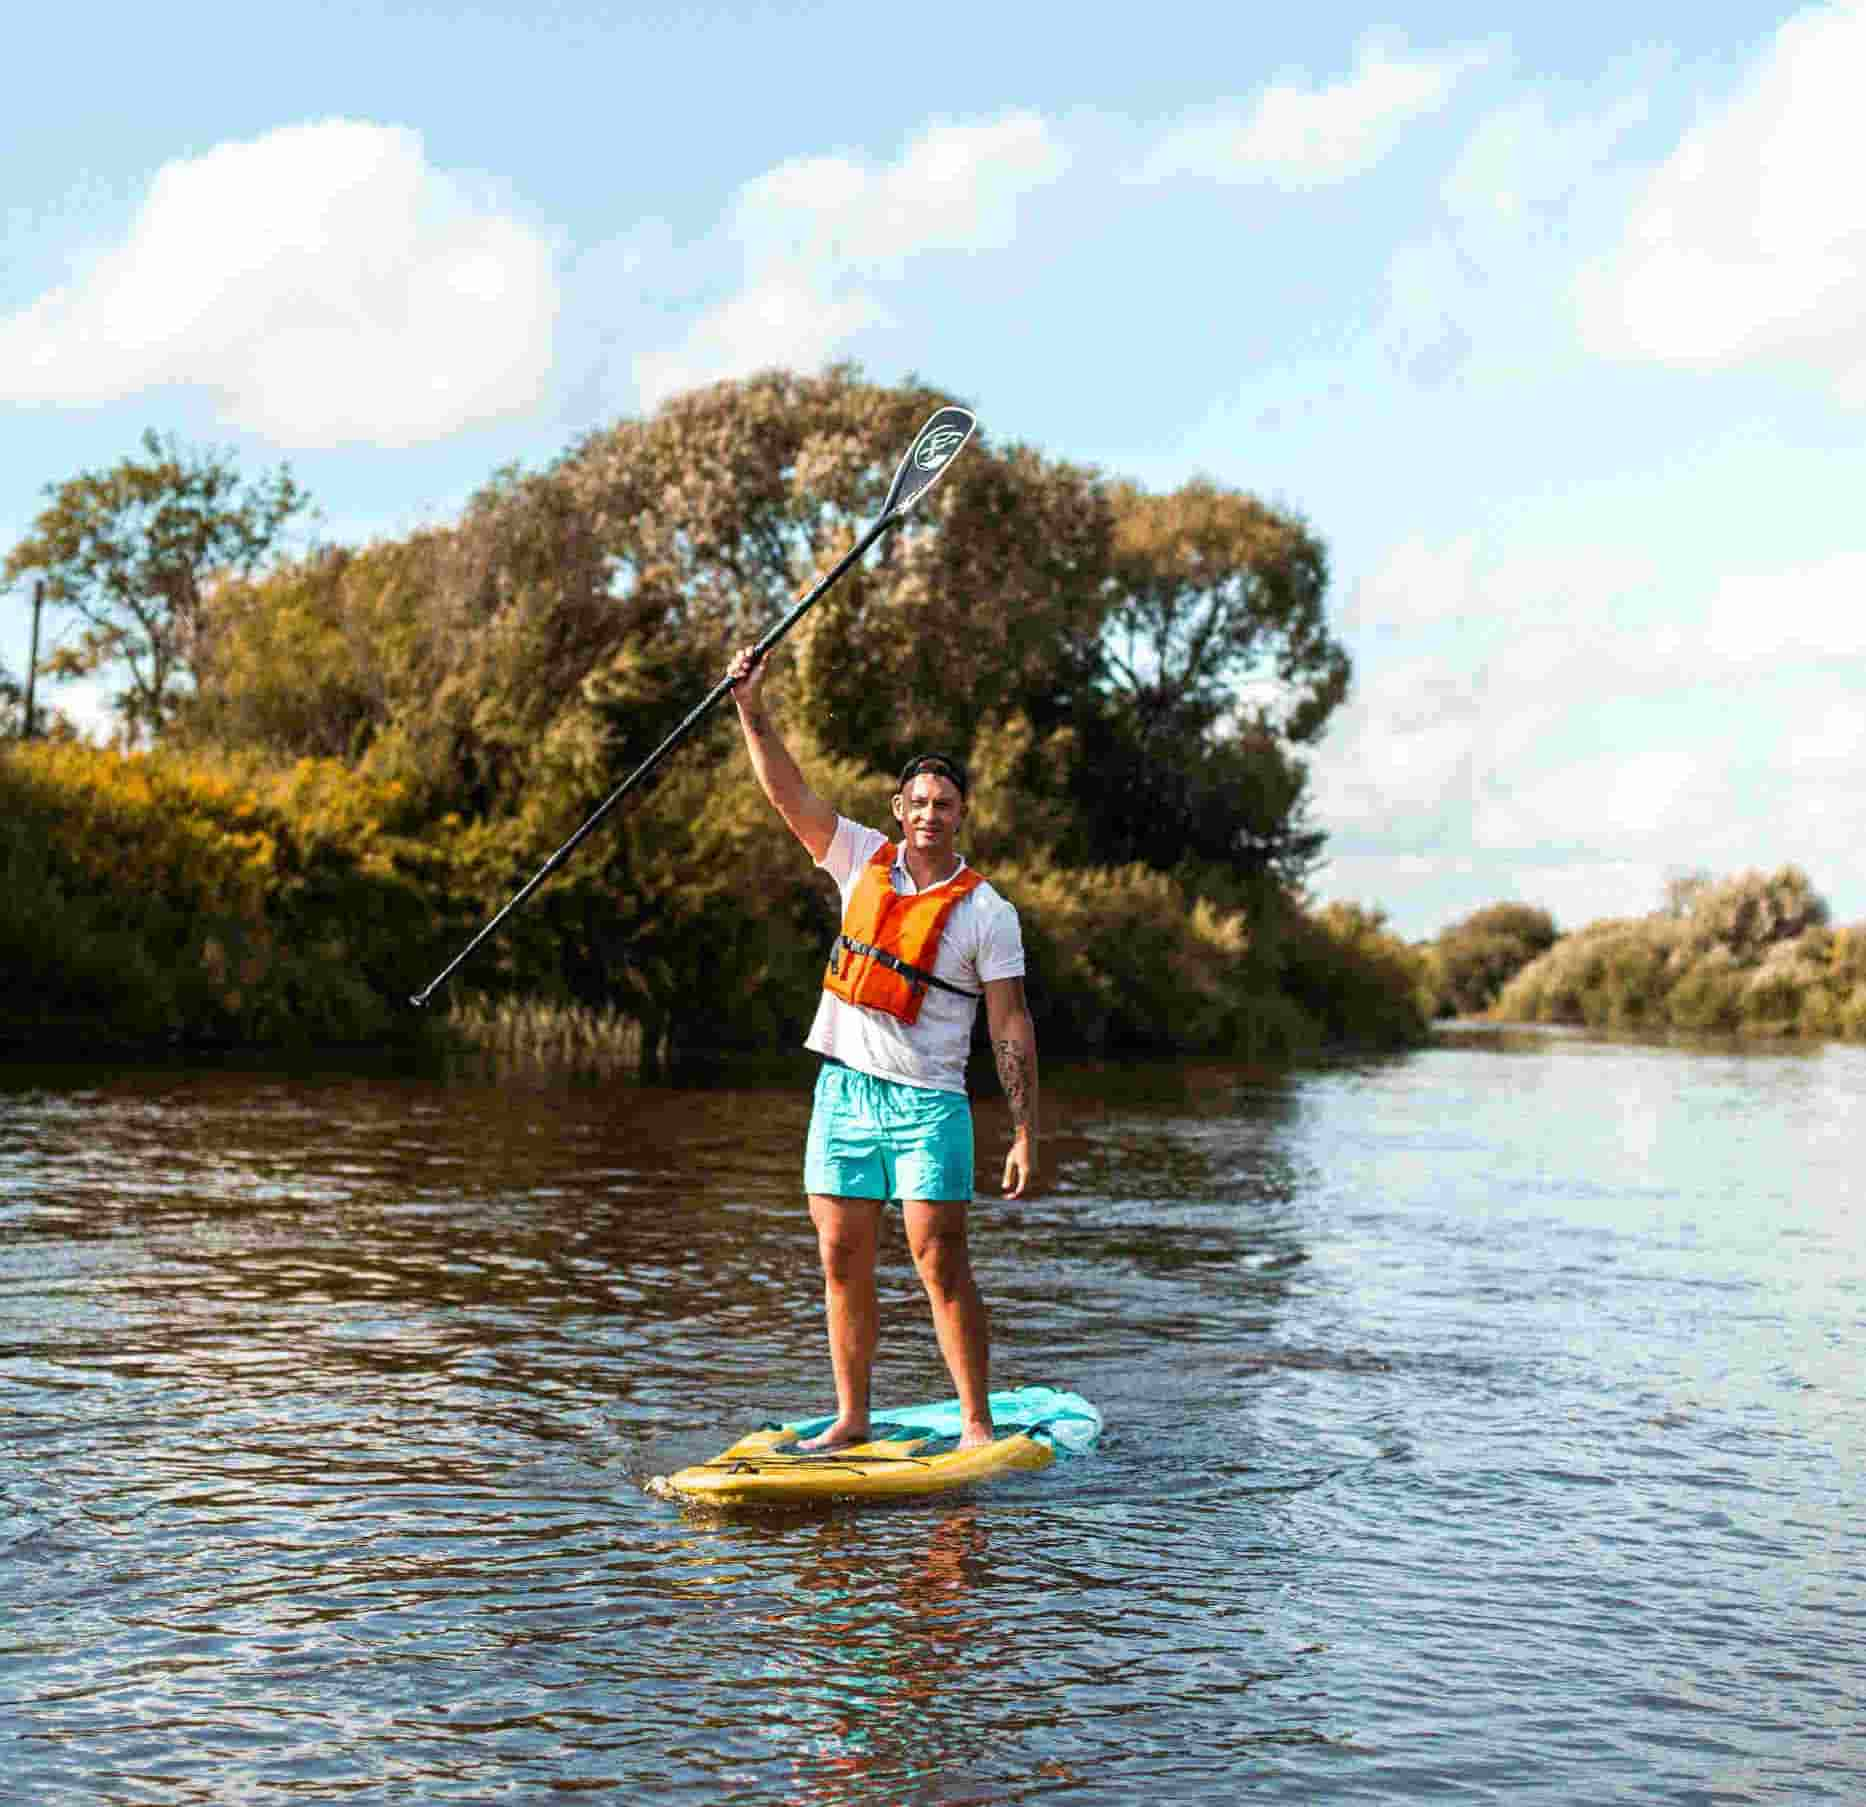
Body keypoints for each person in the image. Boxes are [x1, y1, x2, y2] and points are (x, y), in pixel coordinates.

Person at [728, 642, 1039, 1452]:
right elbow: (788, 794)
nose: (931, 813)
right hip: (843, 1092)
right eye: (920, 800)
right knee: (840, 1257)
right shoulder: (860, 857)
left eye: (946, 803)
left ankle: (977, 1423)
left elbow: (1009, 1022)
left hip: (929, 1103)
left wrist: (1025, 1129)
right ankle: (853, 1415)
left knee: (939, 1263)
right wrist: (750, 710)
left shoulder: (988, 912)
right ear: (899, 808)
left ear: (960, 815)